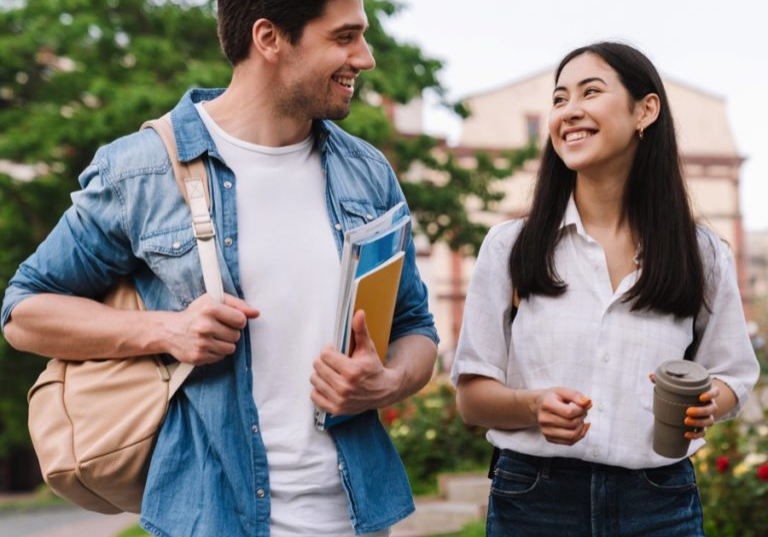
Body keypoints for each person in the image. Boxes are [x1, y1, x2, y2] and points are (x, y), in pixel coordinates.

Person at [1, 1, 439, 535]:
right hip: (209, 519)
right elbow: (23, 313)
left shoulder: (368, 173)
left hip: (358, 519)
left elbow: (416, 327)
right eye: (345, 37)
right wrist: (169, 329)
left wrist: (386, 382)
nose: (365, 58)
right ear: (269, 38)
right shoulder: (142, 170)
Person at [451, 42, 759, 537]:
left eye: (590, 92)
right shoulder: (511, 245)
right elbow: (471, 396)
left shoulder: (700, 253)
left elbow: (734, 375)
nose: (569, 111)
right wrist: (533, 405)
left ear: (645, 110)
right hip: (534, 500)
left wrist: (708, 403)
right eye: (559, 99)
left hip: (659, 500)